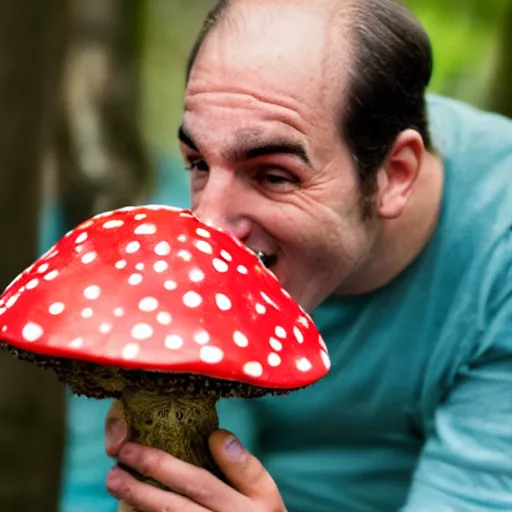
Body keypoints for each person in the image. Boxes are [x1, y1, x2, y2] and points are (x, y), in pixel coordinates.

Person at [71, 0, 512, 510]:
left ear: (395, 174)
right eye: (197, 162)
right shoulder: (169, 224)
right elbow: (89, 484)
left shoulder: (496, 256)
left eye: (274, 175)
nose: (207, 229)